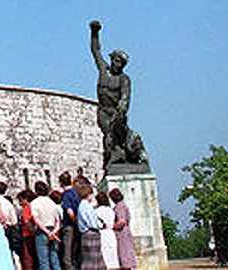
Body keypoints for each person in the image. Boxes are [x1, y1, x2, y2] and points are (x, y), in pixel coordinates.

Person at [89, 21, 147, 168]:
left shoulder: (124, 79)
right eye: (116, 61)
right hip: (103, 111)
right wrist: (94, 32)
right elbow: (95, 51)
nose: (117, 64)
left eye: (120, 63)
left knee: (117, 136)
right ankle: (114, 158)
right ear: (112, 60)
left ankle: (121, 157)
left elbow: (125, 98)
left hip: (116, 113)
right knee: (108, 135)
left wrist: (122, 110)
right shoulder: (103, 70)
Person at [30, 181, 62, 270]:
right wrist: (54, 232)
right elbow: (57, 220)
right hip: (53, 230)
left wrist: (47, 232)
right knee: (54, 259)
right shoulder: (52, 202)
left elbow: (37, 220)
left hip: (42, 232)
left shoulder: (34, 203)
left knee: (43, 262)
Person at [75, 184, 105, 270]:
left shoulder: (81, 205)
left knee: (89, 259)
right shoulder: (86, 206)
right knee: (93, 260)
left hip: (85, 234)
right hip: (91, 233)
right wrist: (101, 225)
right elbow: (92, 222)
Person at [109, 189, 137, 270]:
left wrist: (112, 226)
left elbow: (122, 221)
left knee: (124, 255)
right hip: (124, 233)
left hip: (122, 233)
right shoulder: (123, 205)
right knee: (125, 254)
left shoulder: (119, 207)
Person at [95, 193, 118, 270]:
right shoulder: (110, 210)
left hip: (102, 234)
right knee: (113, 256)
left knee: (104, 257)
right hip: (111, 233)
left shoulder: (97, 211)